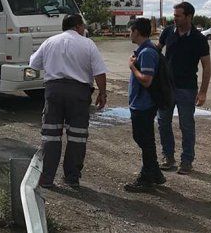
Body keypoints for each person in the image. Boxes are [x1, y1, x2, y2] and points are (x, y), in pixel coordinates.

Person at [29, 14, 108, 188]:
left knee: (51, 136)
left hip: (54, 91)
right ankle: (72, 178)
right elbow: (99, 72)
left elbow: (34, 63)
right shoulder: (88, 44)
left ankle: (46, 178)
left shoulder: (50, 42)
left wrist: (54, 64)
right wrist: (102, 93)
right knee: (77, 137)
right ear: (78, 26)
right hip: (79, 94)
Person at [156, 2, 211, 175]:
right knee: (163, 122)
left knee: (186, 125)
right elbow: (157, 49)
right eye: (174, 15)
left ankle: (187, 161)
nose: (175, 18)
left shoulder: (198, 39)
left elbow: (206, 66)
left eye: (178, 15)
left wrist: (203, 92)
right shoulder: (168, 32)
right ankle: (168, 157)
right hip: (166, 87)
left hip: (187, 89)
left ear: (189, 17)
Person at [124, 18, 166, 192]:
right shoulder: (143, 50)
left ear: (137, 31)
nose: (129, 33)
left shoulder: (147, 52)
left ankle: (146, 178)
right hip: (140, 104)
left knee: (144, 140)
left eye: (131, 30)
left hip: (144, 104)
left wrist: (132, 67)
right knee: (143, 139)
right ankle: (155, 173)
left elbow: (147, 81)